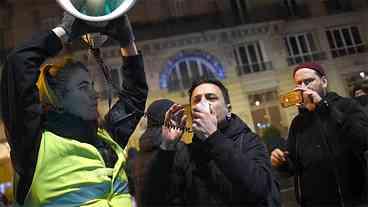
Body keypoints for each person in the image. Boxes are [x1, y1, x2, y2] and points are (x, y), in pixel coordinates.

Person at [1, 13, 148, 206]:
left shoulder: (106, 138)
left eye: (92, 85)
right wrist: (65, 32)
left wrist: (127, 41)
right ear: (57, 99)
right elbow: (17, 64)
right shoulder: (33, 143)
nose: (95, 94)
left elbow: (134, 95)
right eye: (82, 87)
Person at [142, 79, 274, 206]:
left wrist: (213, 136)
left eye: (211, 98)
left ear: (228, 109)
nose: (202, 104)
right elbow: (154, 200)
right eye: (196, 100)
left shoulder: (249, 141)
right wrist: (166, 148)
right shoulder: (185, 153)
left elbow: (260, 189)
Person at [271, 63, 368, 206]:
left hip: (352, 201)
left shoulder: (347, 106)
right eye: (299, 83)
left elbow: (363, 139)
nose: (303, 87)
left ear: (323, 82)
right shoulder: (298, 123)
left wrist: (323, 107)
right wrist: (282, 162)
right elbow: (294, 166)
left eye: (308, 81)